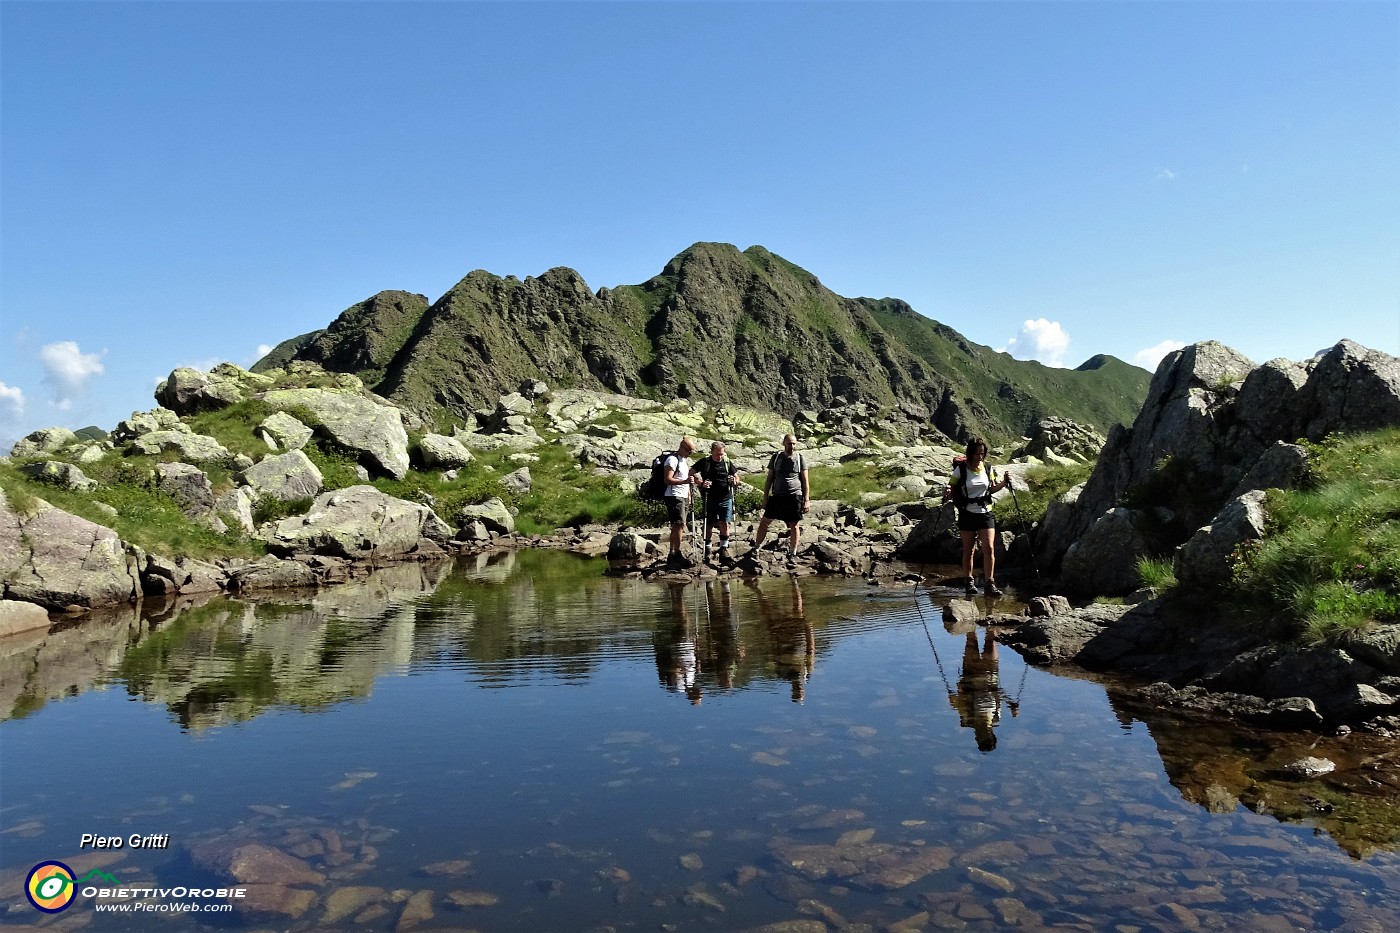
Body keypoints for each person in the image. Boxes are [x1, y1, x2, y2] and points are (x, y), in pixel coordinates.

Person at [948, 436, 1011, 596]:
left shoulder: (988, 468)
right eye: (977, 454)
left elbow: (990, 489)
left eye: (983, 453)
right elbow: (952, 487)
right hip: (967, 513)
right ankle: (969, 581)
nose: (980, 457)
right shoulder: (960, 469)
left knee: (989, 548)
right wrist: (948, 495)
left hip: (985, 513)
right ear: (970, 453)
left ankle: (990, 583)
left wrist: (1004, 483)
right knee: (969, 550)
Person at [947, 629, 1019, 752]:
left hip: (970, 672)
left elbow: (957, 700)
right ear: (991, 733)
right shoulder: (996, 717)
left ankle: (973, 613)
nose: (981, 734)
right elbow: (997, 694)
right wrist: (1011, 703)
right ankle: (988, 610)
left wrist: (954, 701)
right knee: (991, 636)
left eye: (979, 737)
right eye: (985, 736)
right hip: (991, 672)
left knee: (971, 635)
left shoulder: (968, 719)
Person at [751, 433, 810, 566]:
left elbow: (805, 481)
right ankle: (756, 548)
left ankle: (793, 553)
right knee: (764, 522)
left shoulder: (800, 458)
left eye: (794, 444)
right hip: (777, 496)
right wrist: (765, 497)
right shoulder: (776, 457)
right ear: (784, 443)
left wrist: (806, 500)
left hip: (795, 496)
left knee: (794, 525)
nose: (792, 446)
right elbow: (769, 478)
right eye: (790, 443)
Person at [692, 441, 744, 563]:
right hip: (709, 497)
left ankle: (723, 550)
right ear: (712, 451)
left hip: (726, 497)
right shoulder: (705, 462)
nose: (720, 456)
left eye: (722, 454)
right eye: (718, 454)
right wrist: (700, 483)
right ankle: (708, 550)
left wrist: (734, 480)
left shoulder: (726, 462)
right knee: (709, 523)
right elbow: (690, 473)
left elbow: (737, 477)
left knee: (724, 522)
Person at [663, 436, 699, 568]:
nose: (690, 454)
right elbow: (667, 479)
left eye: (691, 452)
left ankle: (673, 553)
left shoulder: (683, 461)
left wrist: (689, 493)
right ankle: (675, 554)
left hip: (683, 496)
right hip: (674, 496)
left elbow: (685, 479)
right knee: (679, 524)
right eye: (689, 451)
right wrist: (684, 482)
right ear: (682, 447)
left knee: (679, 525)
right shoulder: (672, 459)